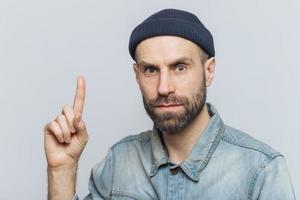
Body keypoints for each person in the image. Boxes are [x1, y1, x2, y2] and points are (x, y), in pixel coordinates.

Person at [44, 8, 296, 200]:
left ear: (209, 71)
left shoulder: (261, 171)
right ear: (137, 75)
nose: (164, 87)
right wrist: (62, 170)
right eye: (151, 70)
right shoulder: (118, 161)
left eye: (180, 67)